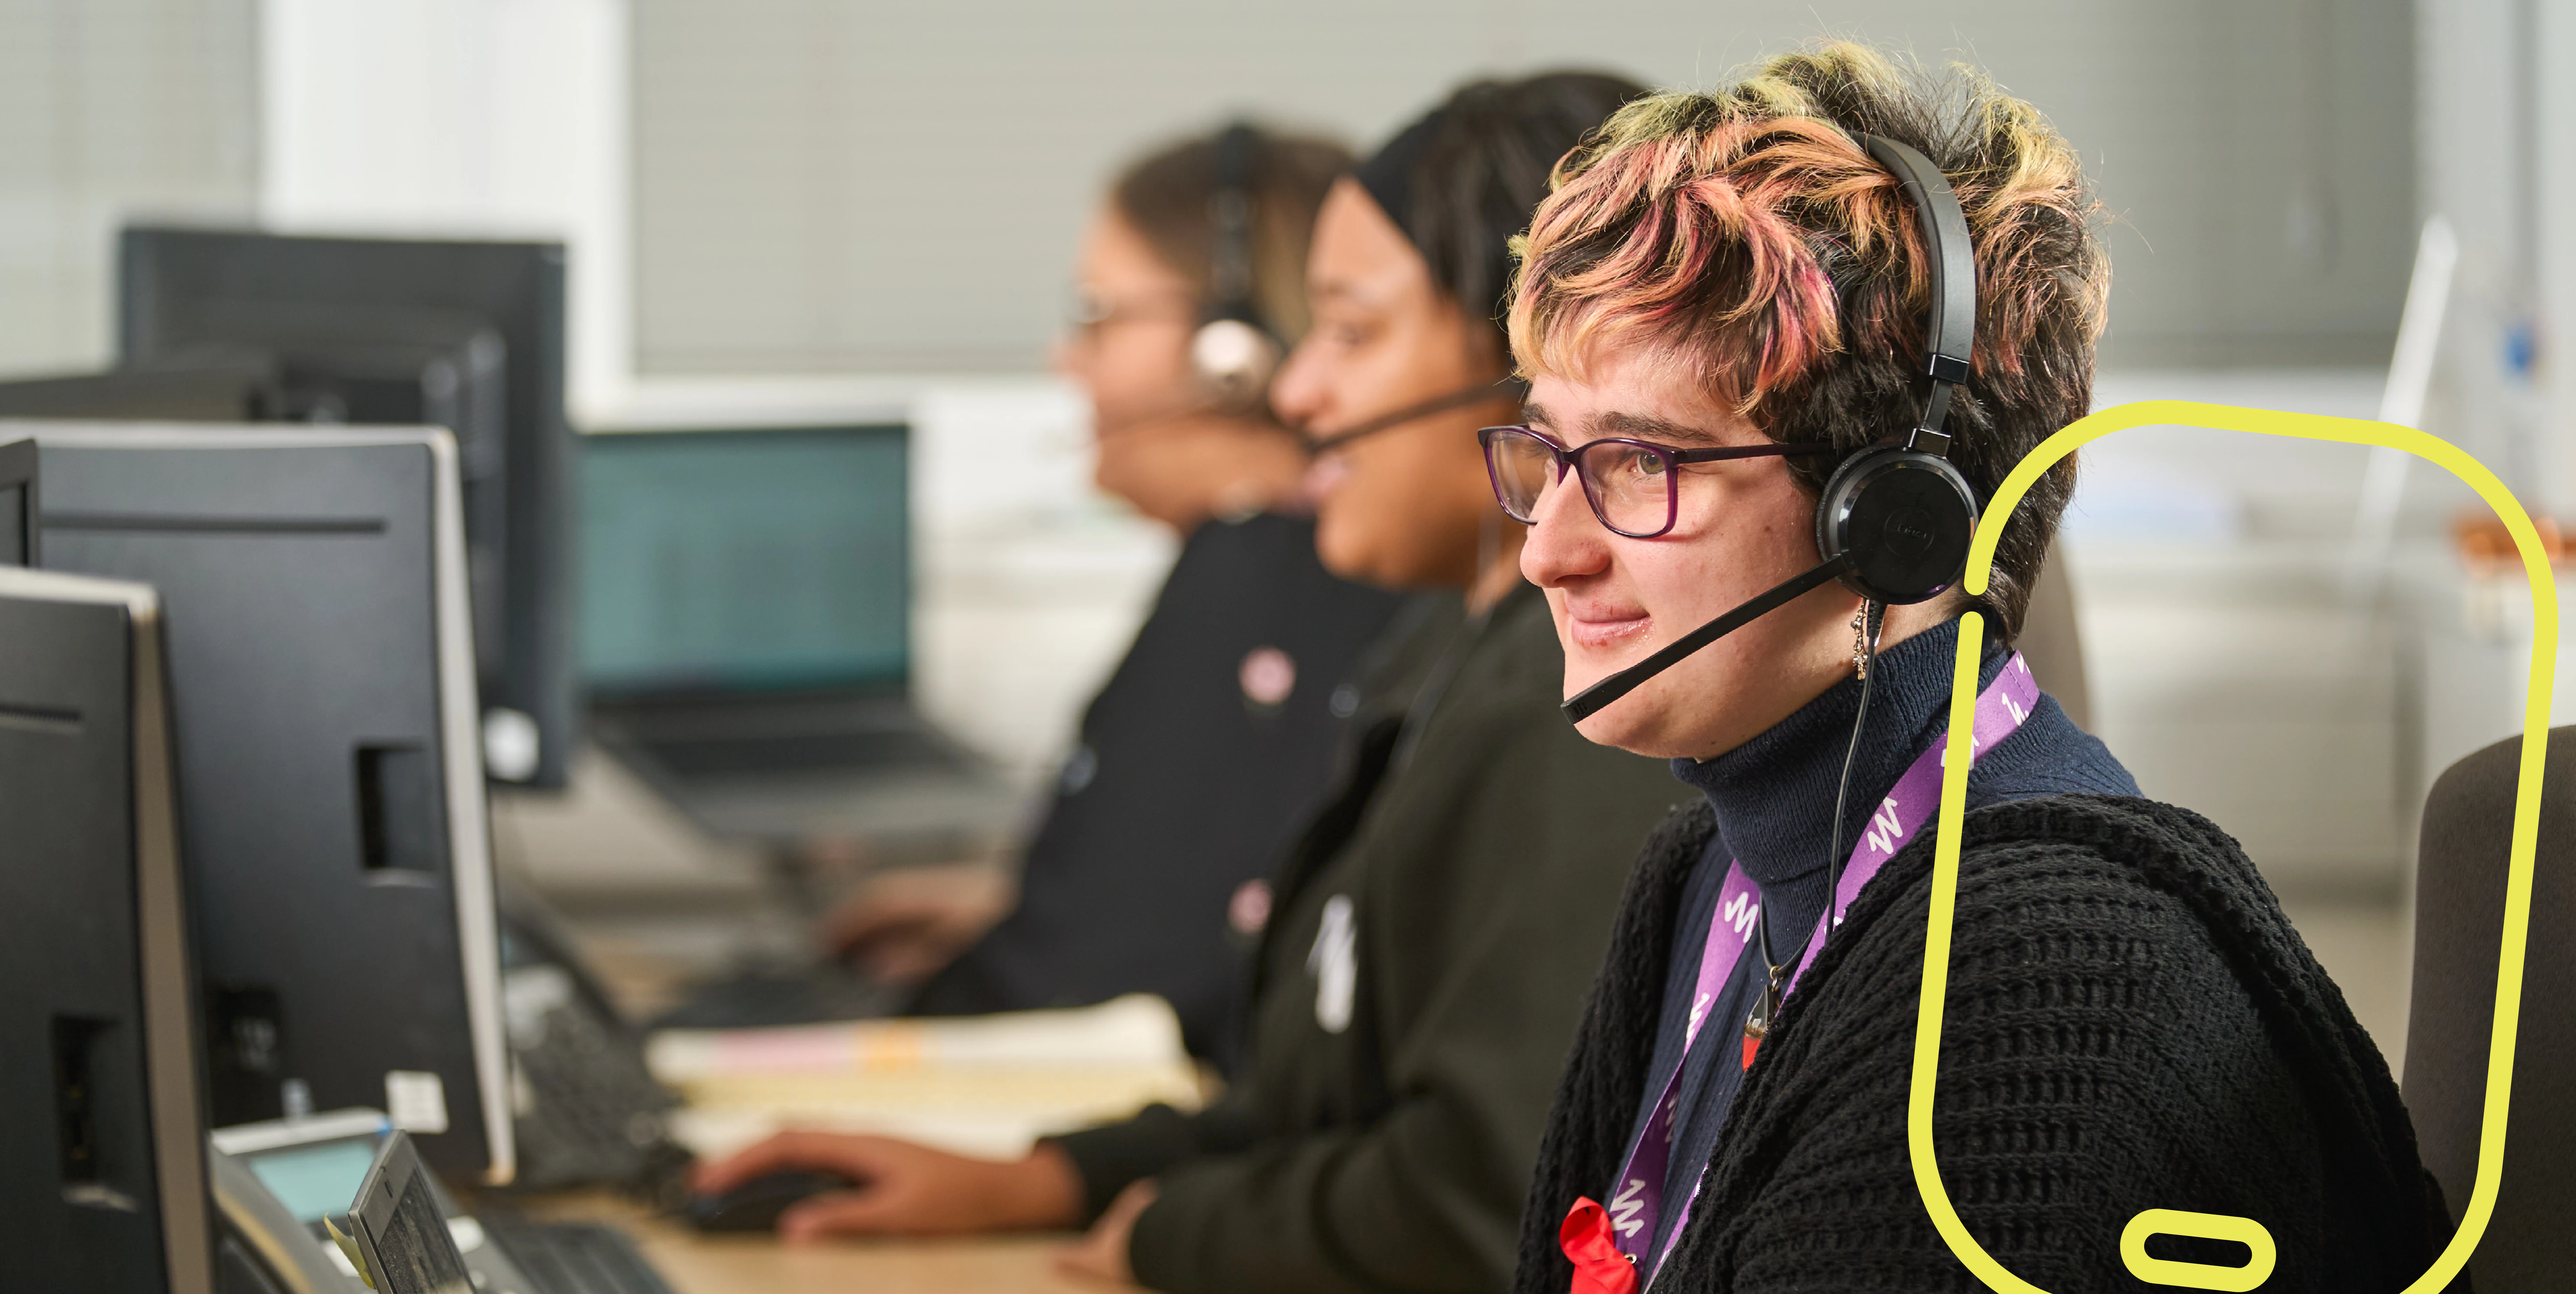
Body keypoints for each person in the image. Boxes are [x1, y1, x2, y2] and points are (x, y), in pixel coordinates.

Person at [1491, 44, 2460, 1293]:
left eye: (1641, 464)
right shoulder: (1709, 876)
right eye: (1546, 451)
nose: (1548, 554)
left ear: (1894, 519)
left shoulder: (2034, 990)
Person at [696, 71, 1682, 1294]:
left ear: (1528, 363)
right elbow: (1310, 1105)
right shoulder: (1440, 663)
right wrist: (1049, 1177)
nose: (1297, 389)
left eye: (1355, 332)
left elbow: (1485, 1193)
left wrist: (1178, 1235)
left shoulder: (1566, 705)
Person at [816, 125, 1408, 1061]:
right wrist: (1010, 912)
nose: (1065, 358)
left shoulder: (1254, 579)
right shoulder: (1306, 568)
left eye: (1099, 315)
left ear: (1233, 352)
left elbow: (1109, 988)